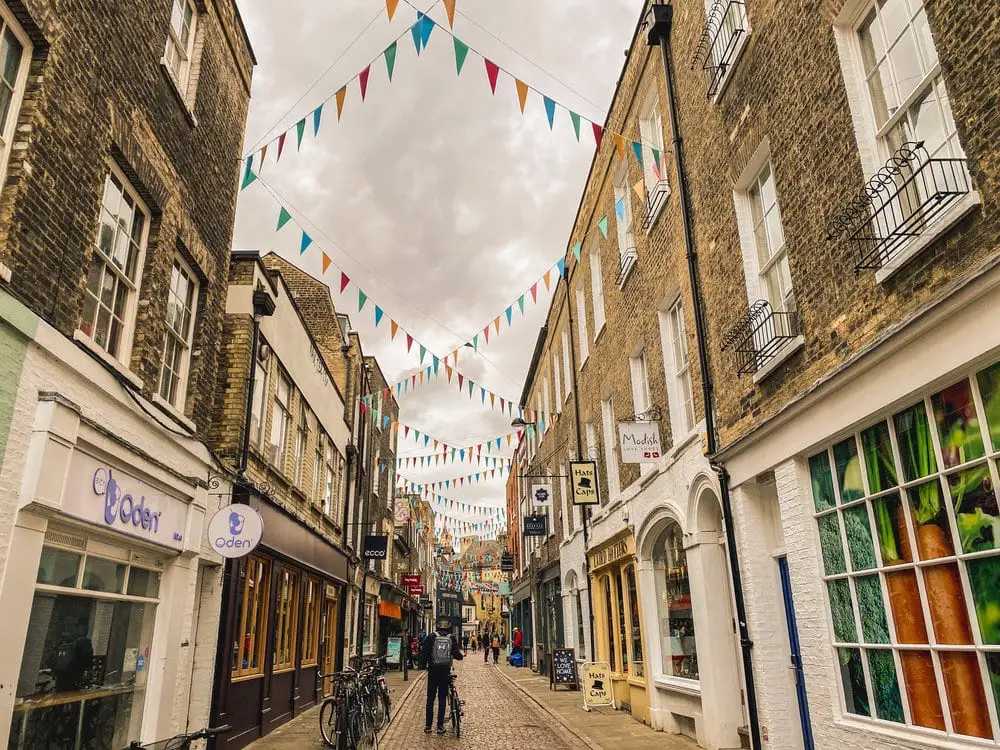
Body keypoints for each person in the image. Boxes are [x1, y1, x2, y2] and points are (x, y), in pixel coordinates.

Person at [421, 618, 463, 735]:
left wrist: (422, 665)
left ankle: (428, 726)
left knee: (430, 699)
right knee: (441, 699)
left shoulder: (431, 637)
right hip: (445, 671)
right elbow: (457, 654)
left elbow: (424, 652)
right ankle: (440, 726)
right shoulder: (451, 638)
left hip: (433, 671)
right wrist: (459, 657)